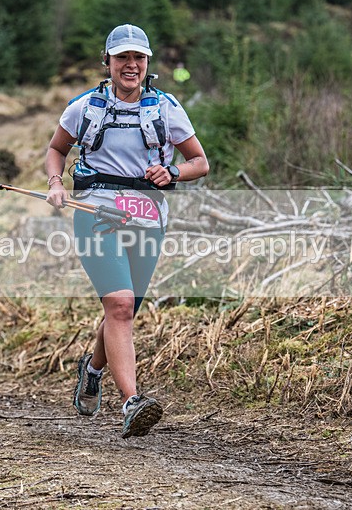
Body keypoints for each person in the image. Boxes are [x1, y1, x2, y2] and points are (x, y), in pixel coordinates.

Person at [44, 24, 209, 437]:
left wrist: (171, 171)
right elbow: (56, 150)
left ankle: (93, 368)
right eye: (122, 58)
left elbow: (200, 162)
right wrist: (55, 183)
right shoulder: (83, 107)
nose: (130, 65)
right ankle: (132, 402)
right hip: (94, 210)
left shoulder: (167, 108)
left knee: (124, 310)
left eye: (138, 58)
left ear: (148, 63)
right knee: (119, 306)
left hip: (146, 215)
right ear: (108, 62)